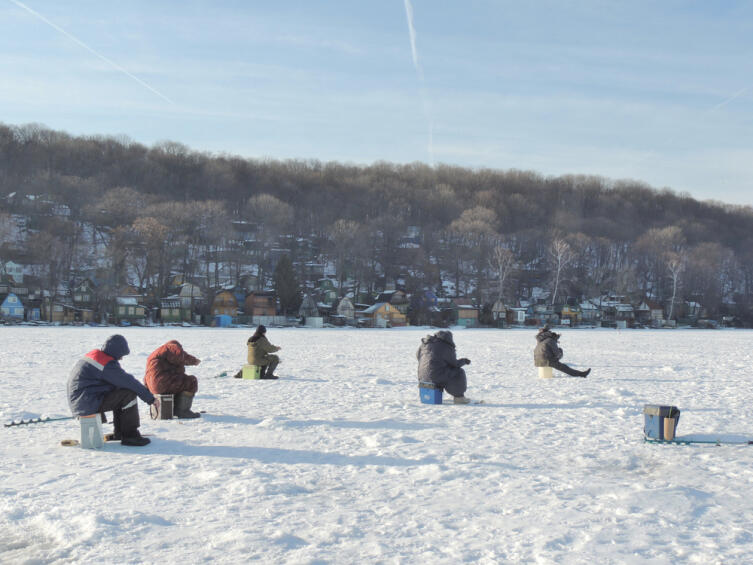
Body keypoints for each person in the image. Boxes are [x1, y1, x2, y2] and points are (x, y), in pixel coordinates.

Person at [67, 334, 156, 446]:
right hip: (86, 401)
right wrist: (151, 399)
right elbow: (129, 382)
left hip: (82, 399)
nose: (121, 358)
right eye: (121, 355)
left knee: (121, 392)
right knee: (128, 394)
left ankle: (120, 433)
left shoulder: (96, 356)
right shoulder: (105, 364)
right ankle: (130, 435)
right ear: (116, 351)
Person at [144, 340, 202, 418]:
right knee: (192, 381)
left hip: (152, 386)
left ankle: (168, 410)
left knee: (180, 382)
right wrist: (194, 361)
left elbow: (147, 377)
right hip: (163, 383)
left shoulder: (154, 355)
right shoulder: (169, 347)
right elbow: (179, 355)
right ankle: (182, 411)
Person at [416, 330, 472, 404]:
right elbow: (454, 364)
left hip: (422, 376)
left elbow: (418, 356)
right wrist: (464, 361)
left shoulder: (425, 344)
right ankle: (459, 398)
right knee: (459, 372)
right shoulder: (445, 346)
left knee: (441, 372)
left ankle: (427, 395)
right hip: (436, 376)